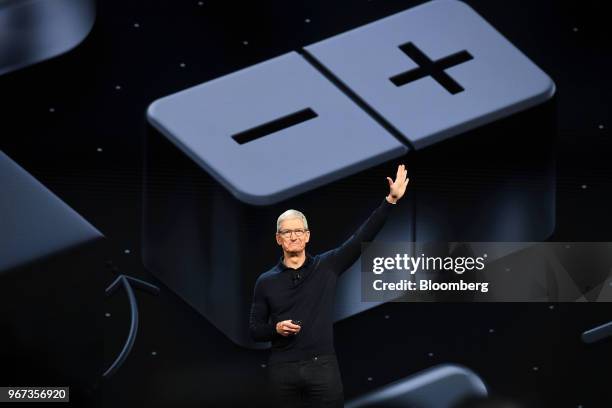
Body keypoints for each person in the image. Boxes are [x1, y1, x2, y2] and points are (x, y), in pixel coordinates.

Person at [249, 164, 410, 407]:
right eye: (287, 232)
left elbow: (360, 239)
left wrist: (390, 201)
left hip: (321, 367)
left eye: (298, 231)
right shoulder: (266, 281)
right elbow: (255, 330)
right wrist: (276, 329)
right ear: (278, 239)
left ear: (307, 236)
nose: (293, 236)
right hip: (282, 369)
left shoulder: (326, 266)